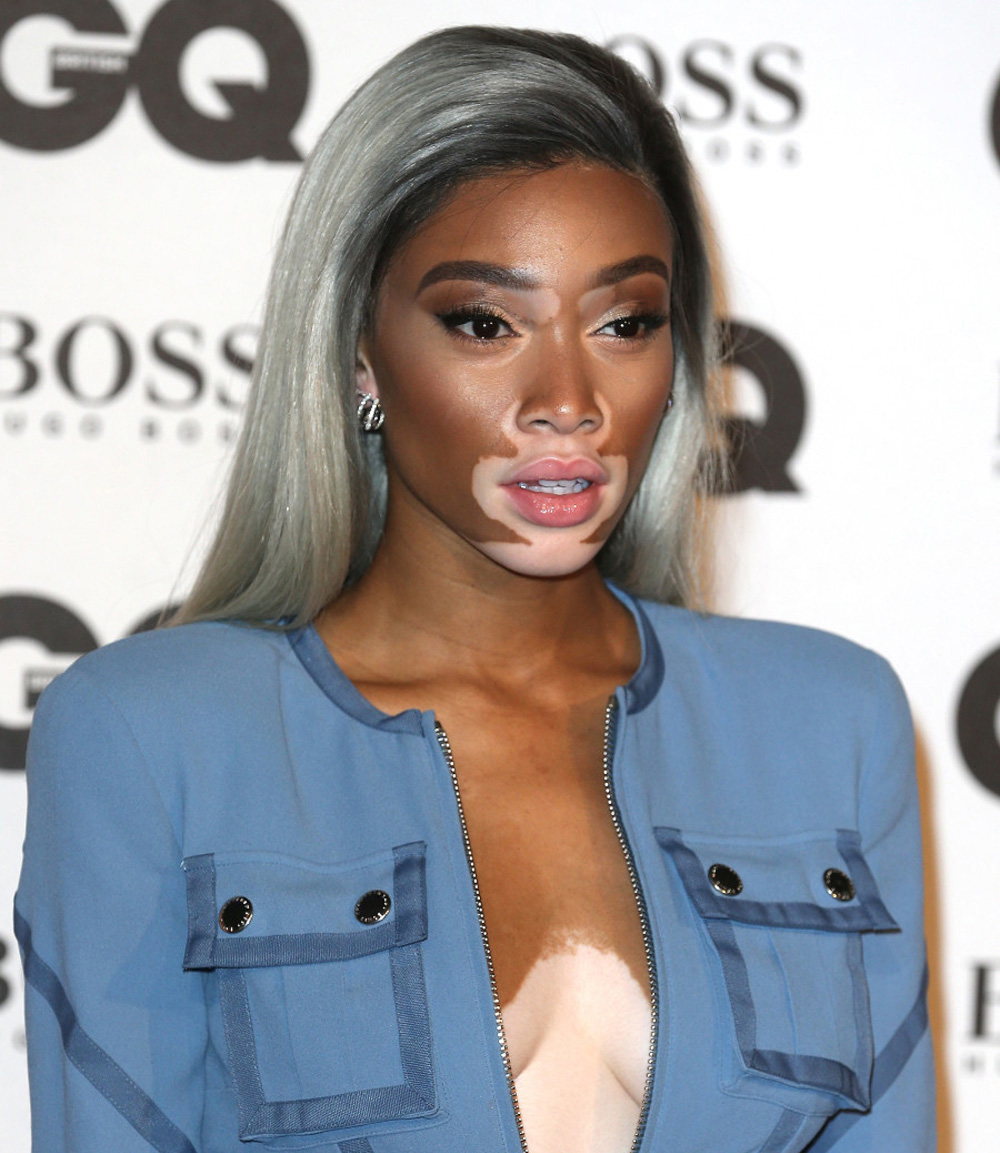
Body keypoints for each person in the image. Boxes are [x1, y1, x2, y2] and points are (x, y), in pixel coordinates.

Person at [15, 25, 934, 1153]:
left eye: (624, 323)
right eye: (486, 323)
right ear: (359, 349)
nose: (568, 400)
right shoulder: (152, 736)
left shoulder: (828, 724)